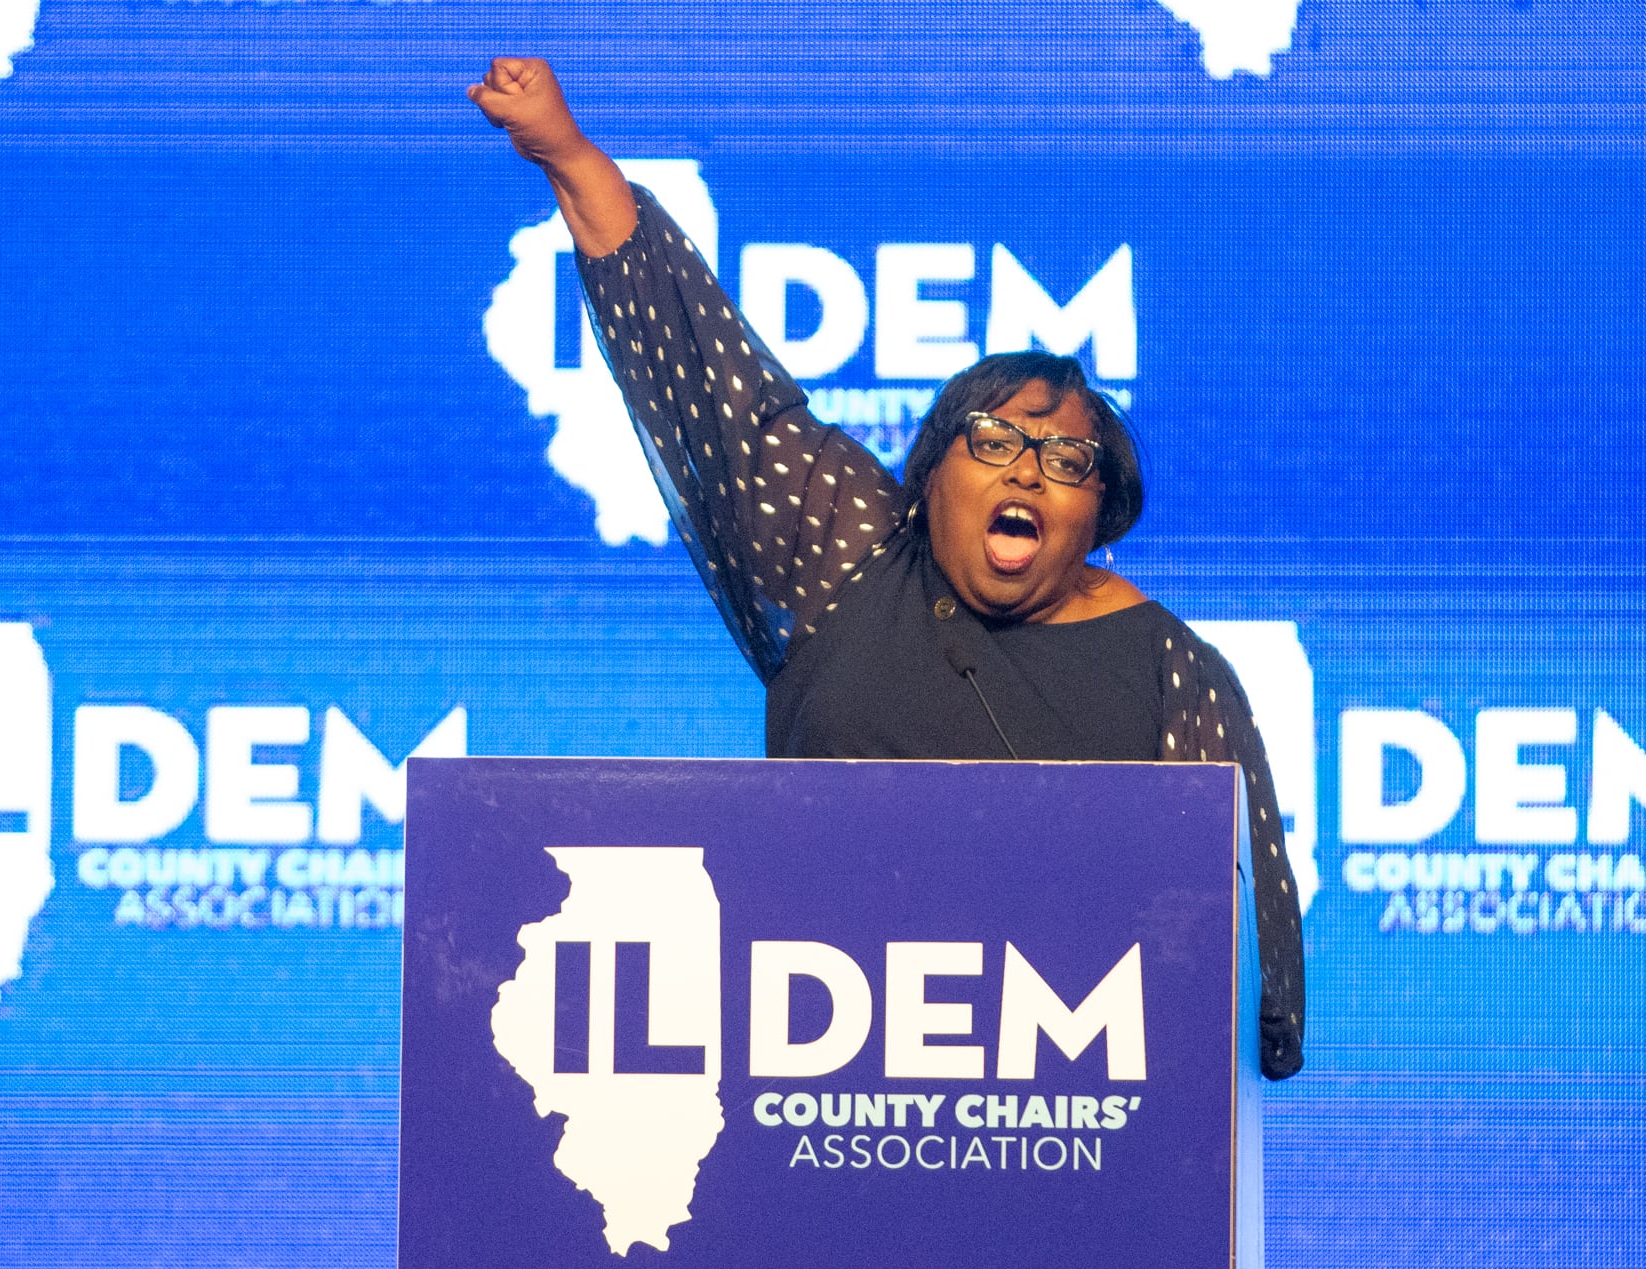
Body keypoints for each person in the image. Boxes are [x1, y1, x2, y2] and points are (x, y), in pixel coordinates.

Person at [471, 58, 1304, 1078]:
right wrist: (568, 156)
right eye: (994, 441)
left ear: (1099, 512)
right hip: (817, 1079)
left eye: (1064, 461)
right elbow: (702, 359)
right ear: (928, 476)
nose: (1028, 472)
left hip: (1054, 1124)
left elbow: (1243, 950)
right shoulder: (850, 548)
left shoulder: (1171, 669)